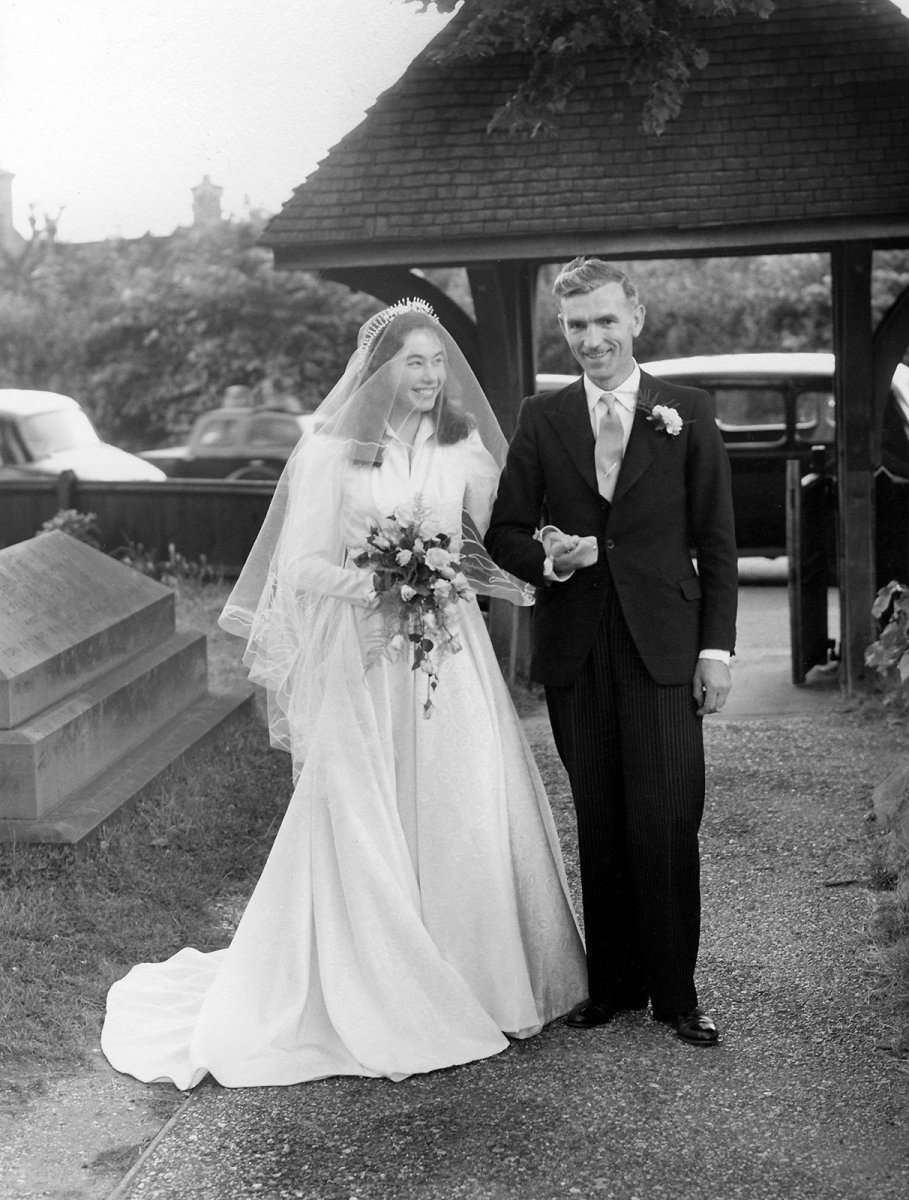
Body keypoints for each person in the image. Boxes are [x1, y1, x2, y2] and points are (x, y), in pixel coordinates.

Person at [100, 300, 586, 1089]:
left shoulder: (463, 449)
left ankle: (480, 979)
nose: (429, 377)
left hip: (449, 658)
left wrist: (543, 558)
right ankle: (379, 983)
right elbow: (297, 568)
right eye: (413, 363)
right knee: (370, 812)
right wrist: (381, 584)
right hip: (366, 659)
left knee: (461, 802)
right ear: (379, 371)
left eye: (437, 362)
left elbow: (498, 540)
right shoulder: (332, 453)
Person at [485, 258, 738, 1046]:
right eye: (575, 326)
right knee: (598, 817)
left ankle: (676, 994)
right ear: (561, 330)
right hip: (577, 650)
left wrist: (716, 652)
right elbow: (504, 533)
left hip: (664, 646)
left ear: (634, 318)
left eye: (603, 321)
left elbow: (718, 546)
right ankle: (616, 987)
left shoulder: (686, 412)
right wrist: (554, 558)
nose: (591, 339)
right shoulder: (542, 416)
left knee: (665, 820)